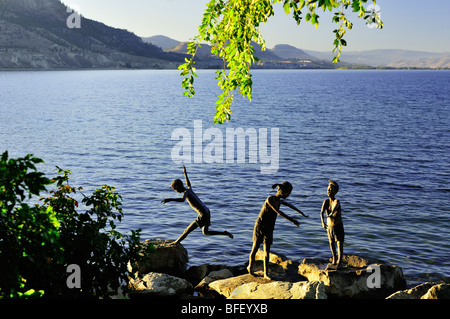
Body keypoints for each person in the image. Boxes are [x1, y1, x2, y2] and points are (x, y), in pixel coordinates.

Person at [248, 181, 308, 279]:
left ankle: (266, 273)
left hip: (269, 227)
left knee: (267, 251)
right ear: (282, 191)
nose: (288, 195)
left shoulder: (279, 201)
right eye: (288, 192)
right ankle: (250, 268)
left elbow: (290, 205)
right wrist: (292, 220)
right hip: (260, 226)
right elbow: (279, 212)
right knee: (255, 248)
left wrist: (301, 213)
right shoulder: (270, 199)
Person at [161, 165, 233, 245]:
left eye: (175, 190)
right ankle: (225, 233)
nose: (176, 191)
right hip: (207, 210)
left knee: (187, 231)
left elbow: (182, 200)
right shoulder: (188, 189)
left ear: (177, 187)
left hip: (203, 214)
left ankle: (176, 243)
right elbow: (188, 183)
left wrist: (169, 199)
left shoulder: (186, 193)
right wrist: (185, 172)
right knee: (205, 232)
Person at [320, 179, 345, 268]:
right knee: (331, 242)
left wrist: (331, 213)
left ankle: (340, 261)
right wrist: (323, 222)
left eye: (331, 190)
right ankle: (334, 259)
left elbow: (335, 208)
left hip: (337, 225)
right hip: (329, 226)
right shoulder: (326, 201)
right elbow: (321, 212)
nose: (329, 191)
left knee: (339, 243)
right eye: (328, 189)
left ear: (335, 191)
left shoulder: (336, 201)